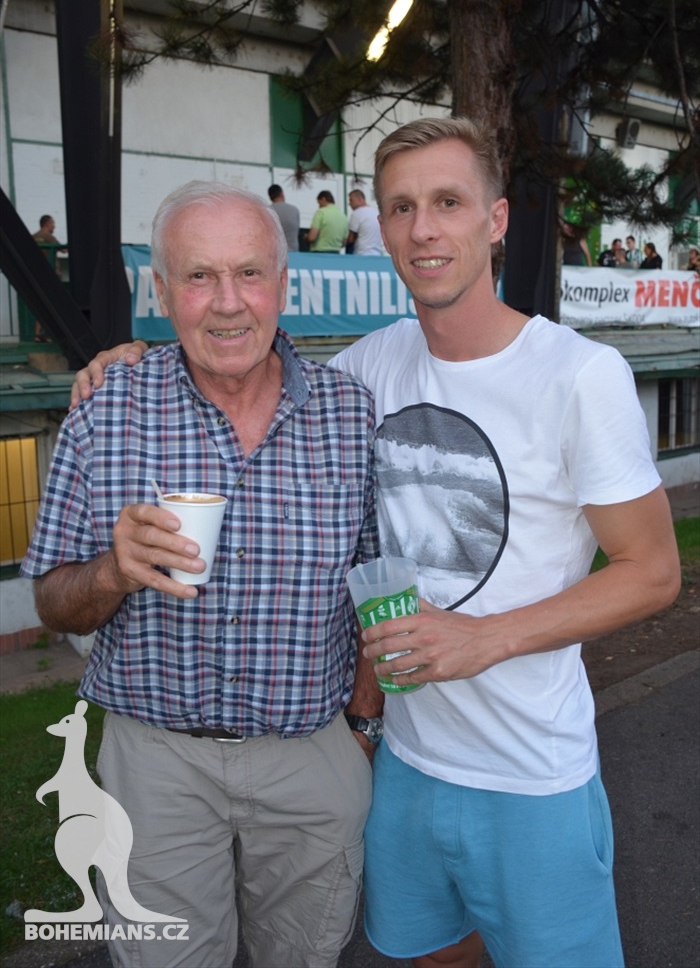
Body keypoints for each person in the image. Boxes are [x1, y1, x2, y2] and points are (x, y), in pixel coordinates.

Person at [71, 119, 681, 968]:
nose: (424, 228)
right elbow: (251, 365)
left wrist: (483, 638)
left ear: (495, 219)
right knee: (426, 955)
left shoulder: (580, 375)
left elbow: (654, 573)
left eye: (447, 202)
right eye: (401, 207)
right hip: (406, 765)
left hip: (531, 774)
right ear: (382, 226)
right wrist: (132, 358)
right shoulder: (367, 370)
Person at [22, 182, 381, 968]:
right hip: (156, 766)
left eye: (250, 274)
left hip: (310, 756)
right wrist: (114, 571)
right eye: (198, 276)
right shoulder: (104, 409)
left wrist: (361, 727)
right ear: (161, 290)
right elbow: (52, 598)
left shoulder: (350, 413)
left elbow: (374, 588)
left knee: (307, 956)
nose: (228, 304)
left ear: (285, 286)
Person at [31, 214, 63, 342]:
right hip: (52, 275)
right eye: (53, 223)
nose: (54, 226)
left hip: (37, 275)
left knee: (41, 304)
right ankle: (51, 334)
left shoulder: (33, 237)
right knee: (53, 305)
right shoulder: (49, 237)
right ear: (47, 224)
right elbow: (65, 250)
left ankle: (38, 334)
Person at [346, 188, 384, 256]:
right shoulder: (375, 212)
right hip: (377, 254)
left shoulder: (357, 213)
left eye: (351, 200)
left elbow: (351, 239)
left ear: (360, 199)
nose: (349, 204)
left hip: (361, 254)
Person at [267, 183, 300, 252]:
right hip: (293, 253)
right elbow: (297, 231)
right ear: (282, 193)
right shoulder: (294, 210)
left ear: (270, 197)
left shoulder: (267, 211)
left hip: (274, 253)